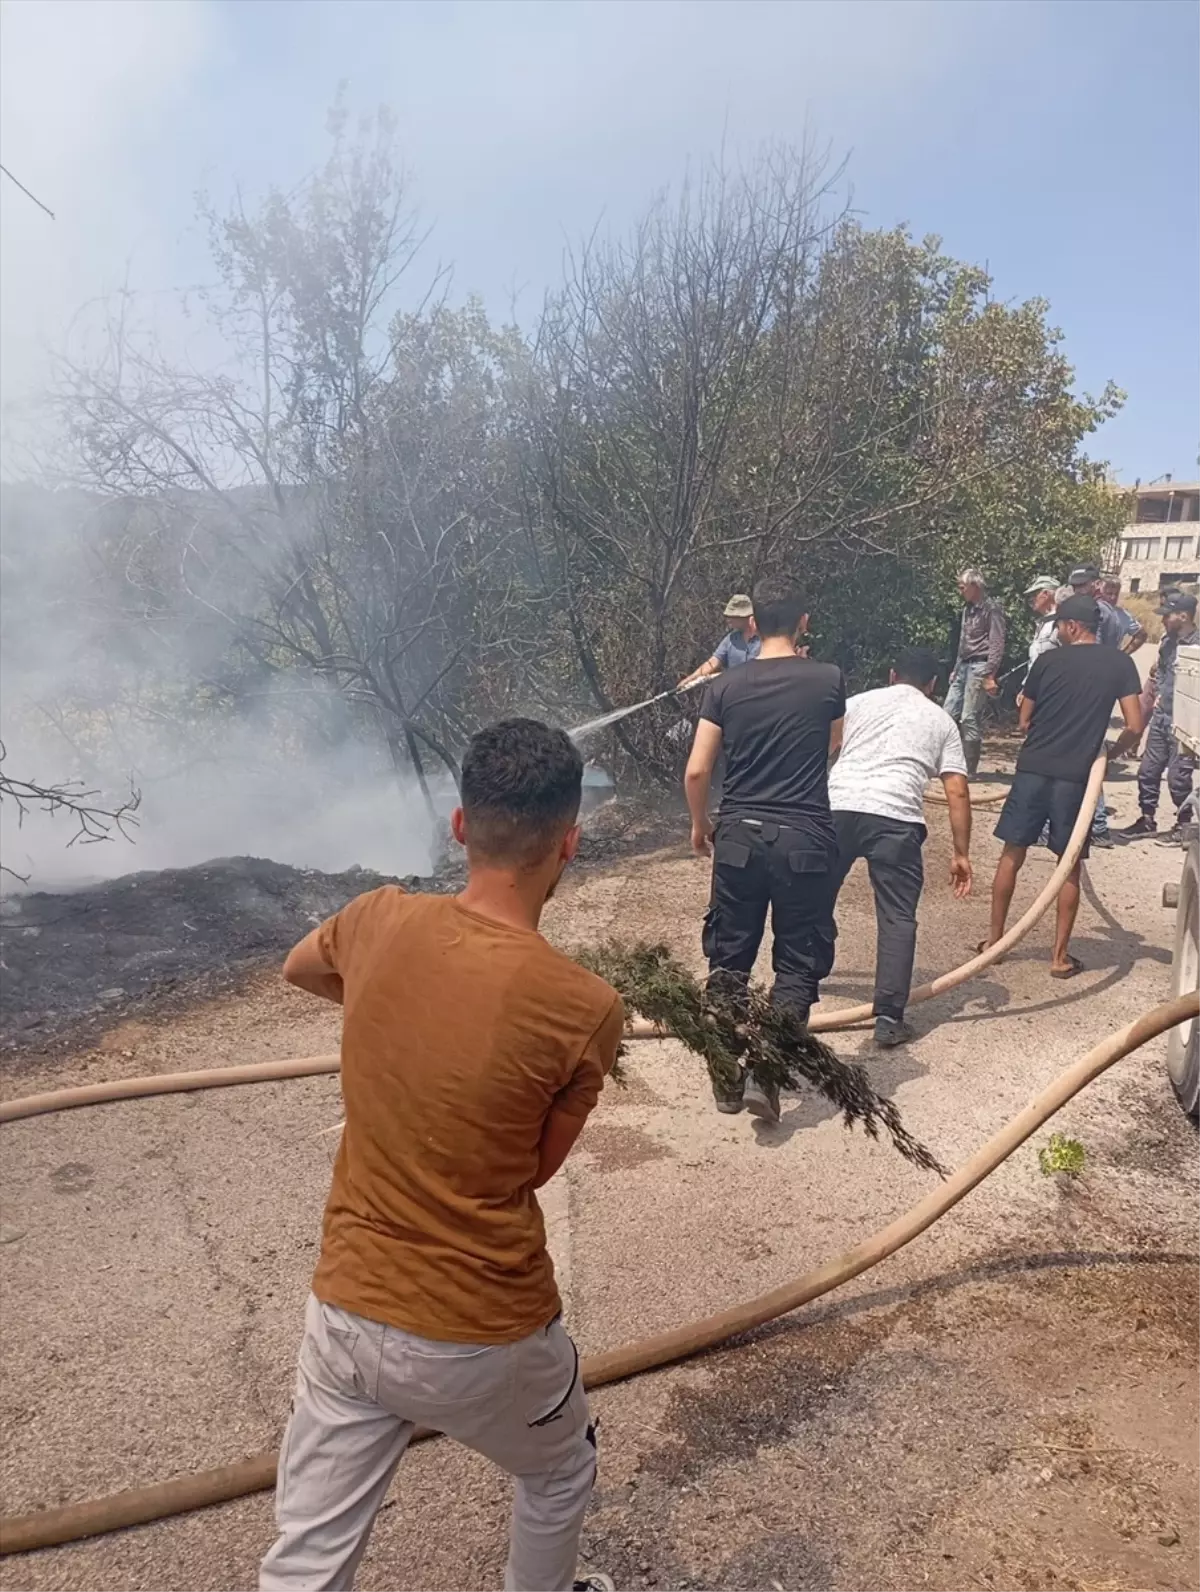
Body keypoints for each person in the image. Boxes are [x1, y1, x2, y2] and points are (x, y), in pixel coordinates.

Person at [259, 719, 624, 1592]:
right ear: (570, 842)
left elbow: (300, 969)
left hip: (344, 1312)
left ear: (460, 828)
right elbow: (531, 1168)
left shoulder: (376, 917)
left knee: (309, 1551)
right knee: (560, 1469)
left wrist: (389, 1013)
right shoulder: (585, 1006)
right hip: (481, 1335)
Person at [684, 580, 846, 1123]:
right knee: (799, 960)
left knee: (729, 957)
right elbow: (833, 745)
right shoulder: (828, 679)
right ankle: (766, 1074)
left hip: (739, 837)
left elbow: (698, 769)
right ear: (803, 623)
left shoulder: (725, 687)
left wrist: (698, 825)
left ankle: (727, 1076)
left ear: (752, 625)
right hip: (805, 836)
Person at [982, 595, 1142, 978]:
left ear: (1072, 626)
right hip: (1077, 775)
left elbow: (1024, 721)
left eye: (1059, 626)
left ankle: (995, 943)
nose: (1056, 631)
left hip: (1034, 766)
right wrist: (1110, 752)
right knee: (1068, 864)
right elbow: (1135, 726)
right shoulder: (1120, 663)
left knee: (1012, 853)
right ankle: (1058, 957)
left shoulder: (1047, 661)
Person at [828, 647, 973, 1049]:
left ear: (892, 675)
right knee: (897, 917)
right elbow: (957, 790)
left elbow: (825, 747)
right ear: (933, 685)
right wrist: (961, 853)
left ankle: (802, 981)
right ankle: (889, 1017)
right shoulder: (941, 720)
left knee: (814, 898)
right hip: (896, 818)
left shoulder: (856, 703)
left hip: (838, 805)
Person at [1119, 589, 1199, 842]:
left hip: (1185, 724)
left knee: (1178, 777)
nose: (1163, 619)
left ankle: (1184, 825)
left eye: (1168, 615)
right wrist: (1158, 696)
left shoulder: (1197, 646)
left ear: (1184, 616)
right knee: (1148, 771)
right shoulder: (1167, 641)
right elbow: (1161, 672)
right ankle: (1147, 819)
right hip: (1162, 718)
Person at [944, 568, 1005, 777]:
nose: (960, 591)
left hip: (980, 666)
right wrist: (955, 668)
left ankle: (968, 769)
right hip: (963, 665)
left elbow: (996, 643)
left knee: (969, 717)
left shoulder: (992, 609)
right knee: (947, 713)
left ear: (974, 586)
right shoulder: (967, 609)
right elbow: (963, 641)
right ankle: (948, 760)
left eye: (963, 586)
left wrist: (990, 674)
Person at [677, 593, 761, 688]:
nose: (729, 620)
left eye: (733, 616)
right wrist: (690, 679)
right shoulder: (731, 639)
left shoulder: (765, 639)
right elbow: (713, 662)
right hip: (735, 693)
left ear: (745, 617)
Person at [1101, 577, 1148, 655]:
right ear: (1101, 592)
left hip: (1110, 661)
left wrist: (1123, 655)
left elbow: (1141, 635)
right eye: (1109, 593)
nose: (1113, 597)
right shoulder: (1091, 609)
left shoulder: (1122, 615)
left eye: (1116, 594)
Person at [1024, 577, 1061, 666]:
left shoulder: (1060, 622)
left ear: (1046, 594)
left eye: (1034, 595)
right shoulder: (1042, 623)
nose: (1031, 599)